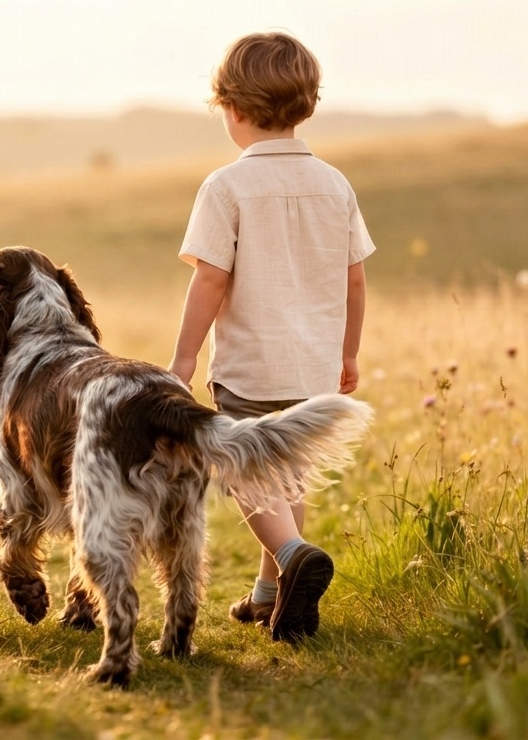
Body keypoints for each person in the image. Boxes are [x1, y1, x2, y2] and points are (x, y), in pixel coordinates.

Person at [167, 32, 375, 643]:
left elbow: (209, 278)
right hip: (312, 362)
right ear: (307, 104)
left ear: (231, 108)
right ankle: (268, 595)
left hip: (249, 365)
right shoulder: (335, 185)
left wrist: (183, 358)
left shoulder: (226, 187)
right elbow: (355, 280)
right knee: (290, 473)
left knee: (247, 468)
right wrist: (348, 352)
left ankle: (290, 556)